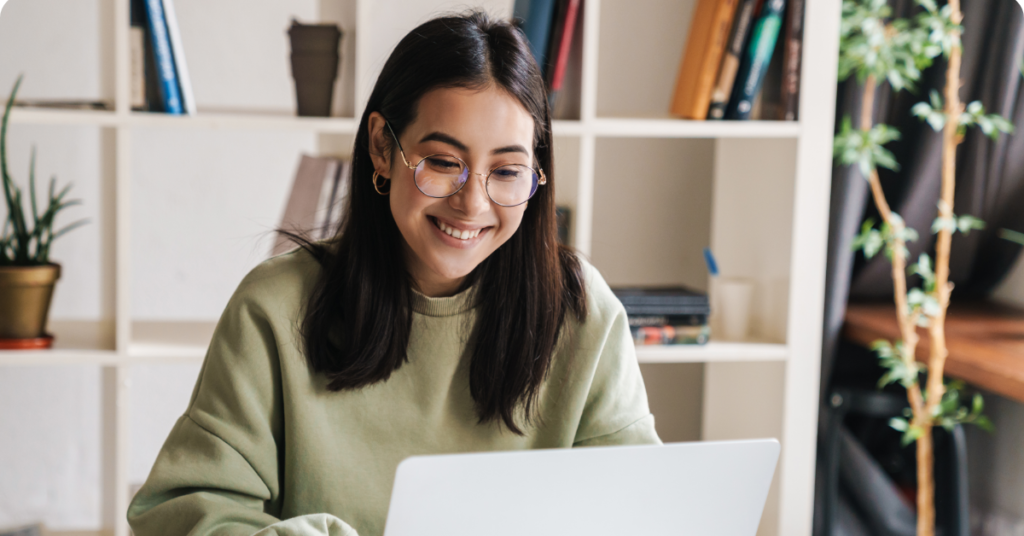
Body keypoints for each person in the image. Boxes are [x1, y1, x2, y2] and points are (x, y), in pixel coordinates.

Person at [127, 10, 660, 536]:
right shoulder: (277, 307)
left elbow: (645, 512)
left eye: (506, 172)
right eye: (444, 162)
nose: (472, 204)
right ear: (383, 147)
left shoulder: (581, 312)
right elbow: (181, 513)